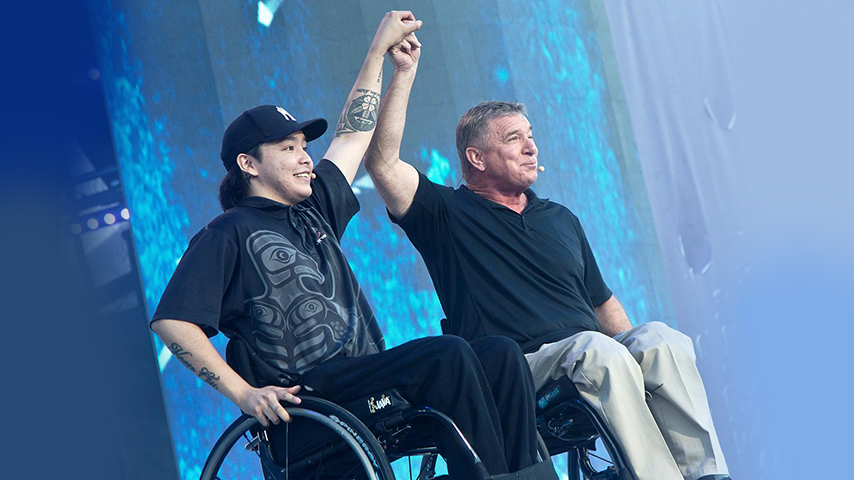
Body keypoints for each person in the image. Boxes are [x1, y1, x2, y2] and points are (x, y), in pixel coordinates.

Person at [150, 12, 556, 480]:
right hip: (311, 401)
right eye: (287, 148)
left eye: (304, 145)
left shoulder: (315, 207)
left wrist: (386, 59)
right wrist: (244, 395)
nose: (305, 157)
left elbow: (353, 133)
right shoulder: (226, 234)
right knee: (448, 353)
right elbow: (172, 322)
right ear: (249, 164)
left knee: (501, 354)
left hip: (362, 380)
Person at [364, 76, 732, 479]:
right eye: (513, 139)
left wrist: (634, 353)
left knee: (662, 340)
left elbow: (602, 303)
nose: (531, 147)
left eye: (531, 136)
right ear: (477, 158)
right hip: (520, 368)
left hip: (588, 354)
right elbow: (381, 163)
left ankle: (706, 474)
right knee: (598, 352)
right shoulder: (445, 213)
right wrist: (402, 70)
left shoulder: (560, 218)